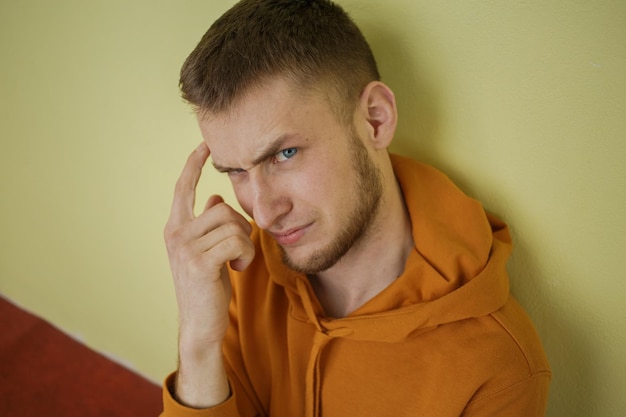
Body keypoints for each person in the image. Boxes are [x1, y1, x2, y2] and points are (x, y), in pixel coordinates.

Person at [161, 1, 551, 416]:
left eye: (285, 153)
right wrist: (198, 343)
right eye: (236, 171)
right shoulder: (244, 267)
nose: (262, 214)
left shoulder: (499, 370)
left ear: (375, 120)